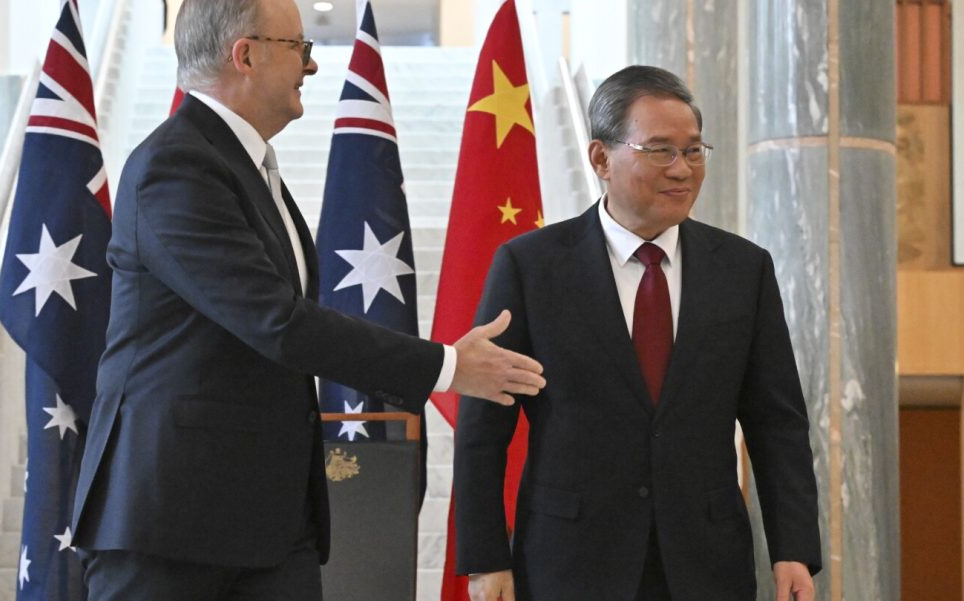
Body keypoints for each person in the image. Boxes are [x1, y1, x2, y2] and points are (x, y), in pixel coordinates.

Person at [69, 0, 546, 599]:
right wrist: (447, 365)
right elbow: (278, 324)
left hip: (267, 524)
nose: (312, 66)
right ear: (244, 54)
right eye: (299, 47)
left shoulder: (246, 166)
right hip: (172, 521)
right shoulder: (177, 165)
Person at [454, 65, 821, 601]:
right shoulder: (531, 267)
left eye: (694, 151)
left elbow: (777, 422)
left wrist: (794, 548)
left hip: (706, 562)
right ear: (601, 158)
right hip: (570, 561)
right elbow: (484, 426)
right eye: (659, 150)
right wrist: (485, 559)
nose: (683, 169)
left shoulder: (744, 270)